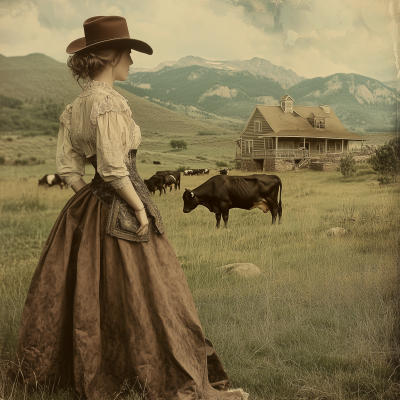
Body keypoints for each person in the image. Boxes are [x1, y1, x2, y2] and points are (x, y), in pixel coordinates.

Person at [9, 16, 248, 400]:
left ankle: (101, 364)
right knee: (153, 296)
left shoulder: (75, 109)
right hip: (124, 202)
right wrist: (139, 210)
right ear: (111, 56)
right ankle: (166, 374)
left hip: (90, 206)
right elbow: (114, 168)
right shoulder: (108, 103)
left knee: (91, 292)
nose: (132, 63)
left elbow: (69, 169)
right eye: (128, 54)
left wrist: (91, 198)